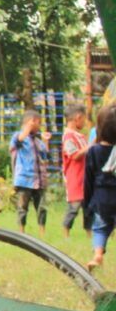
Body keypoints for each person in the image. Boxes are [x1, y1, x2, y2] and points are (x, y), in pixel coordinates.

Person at [83, 104, 116, 271]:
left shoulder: (93, 151)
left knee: (100, 229)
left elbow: (87, 180)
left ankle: (97, 254)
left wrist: (87, 203)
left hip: (101, 199)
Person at [10, 109, 51, 236]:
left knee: (42, 207)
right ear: (30, 122)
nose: (39, 126)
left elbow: (46, 156)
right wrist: (27, 127)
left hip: (39, 180)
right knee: (23, 207)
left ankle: (42, 232)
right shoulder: (18, 136)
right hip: (24, 179)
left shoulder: (37, 141)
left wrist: (45, 141)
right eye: (38, 123)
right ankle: (22, 232)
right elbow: (17, 142)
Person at [62, 103, 91, 238]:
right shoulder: (68, 137)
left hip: (85, 178)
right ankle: (66, 232)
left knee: (88, 208)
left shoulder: (80, 136)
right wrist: (90, 146)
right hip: (75, 178)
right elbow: (74, 156)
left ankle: (89, 233)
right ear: (78, 118)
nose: (84, 122)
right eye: (84, 119)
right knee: (74, 207)